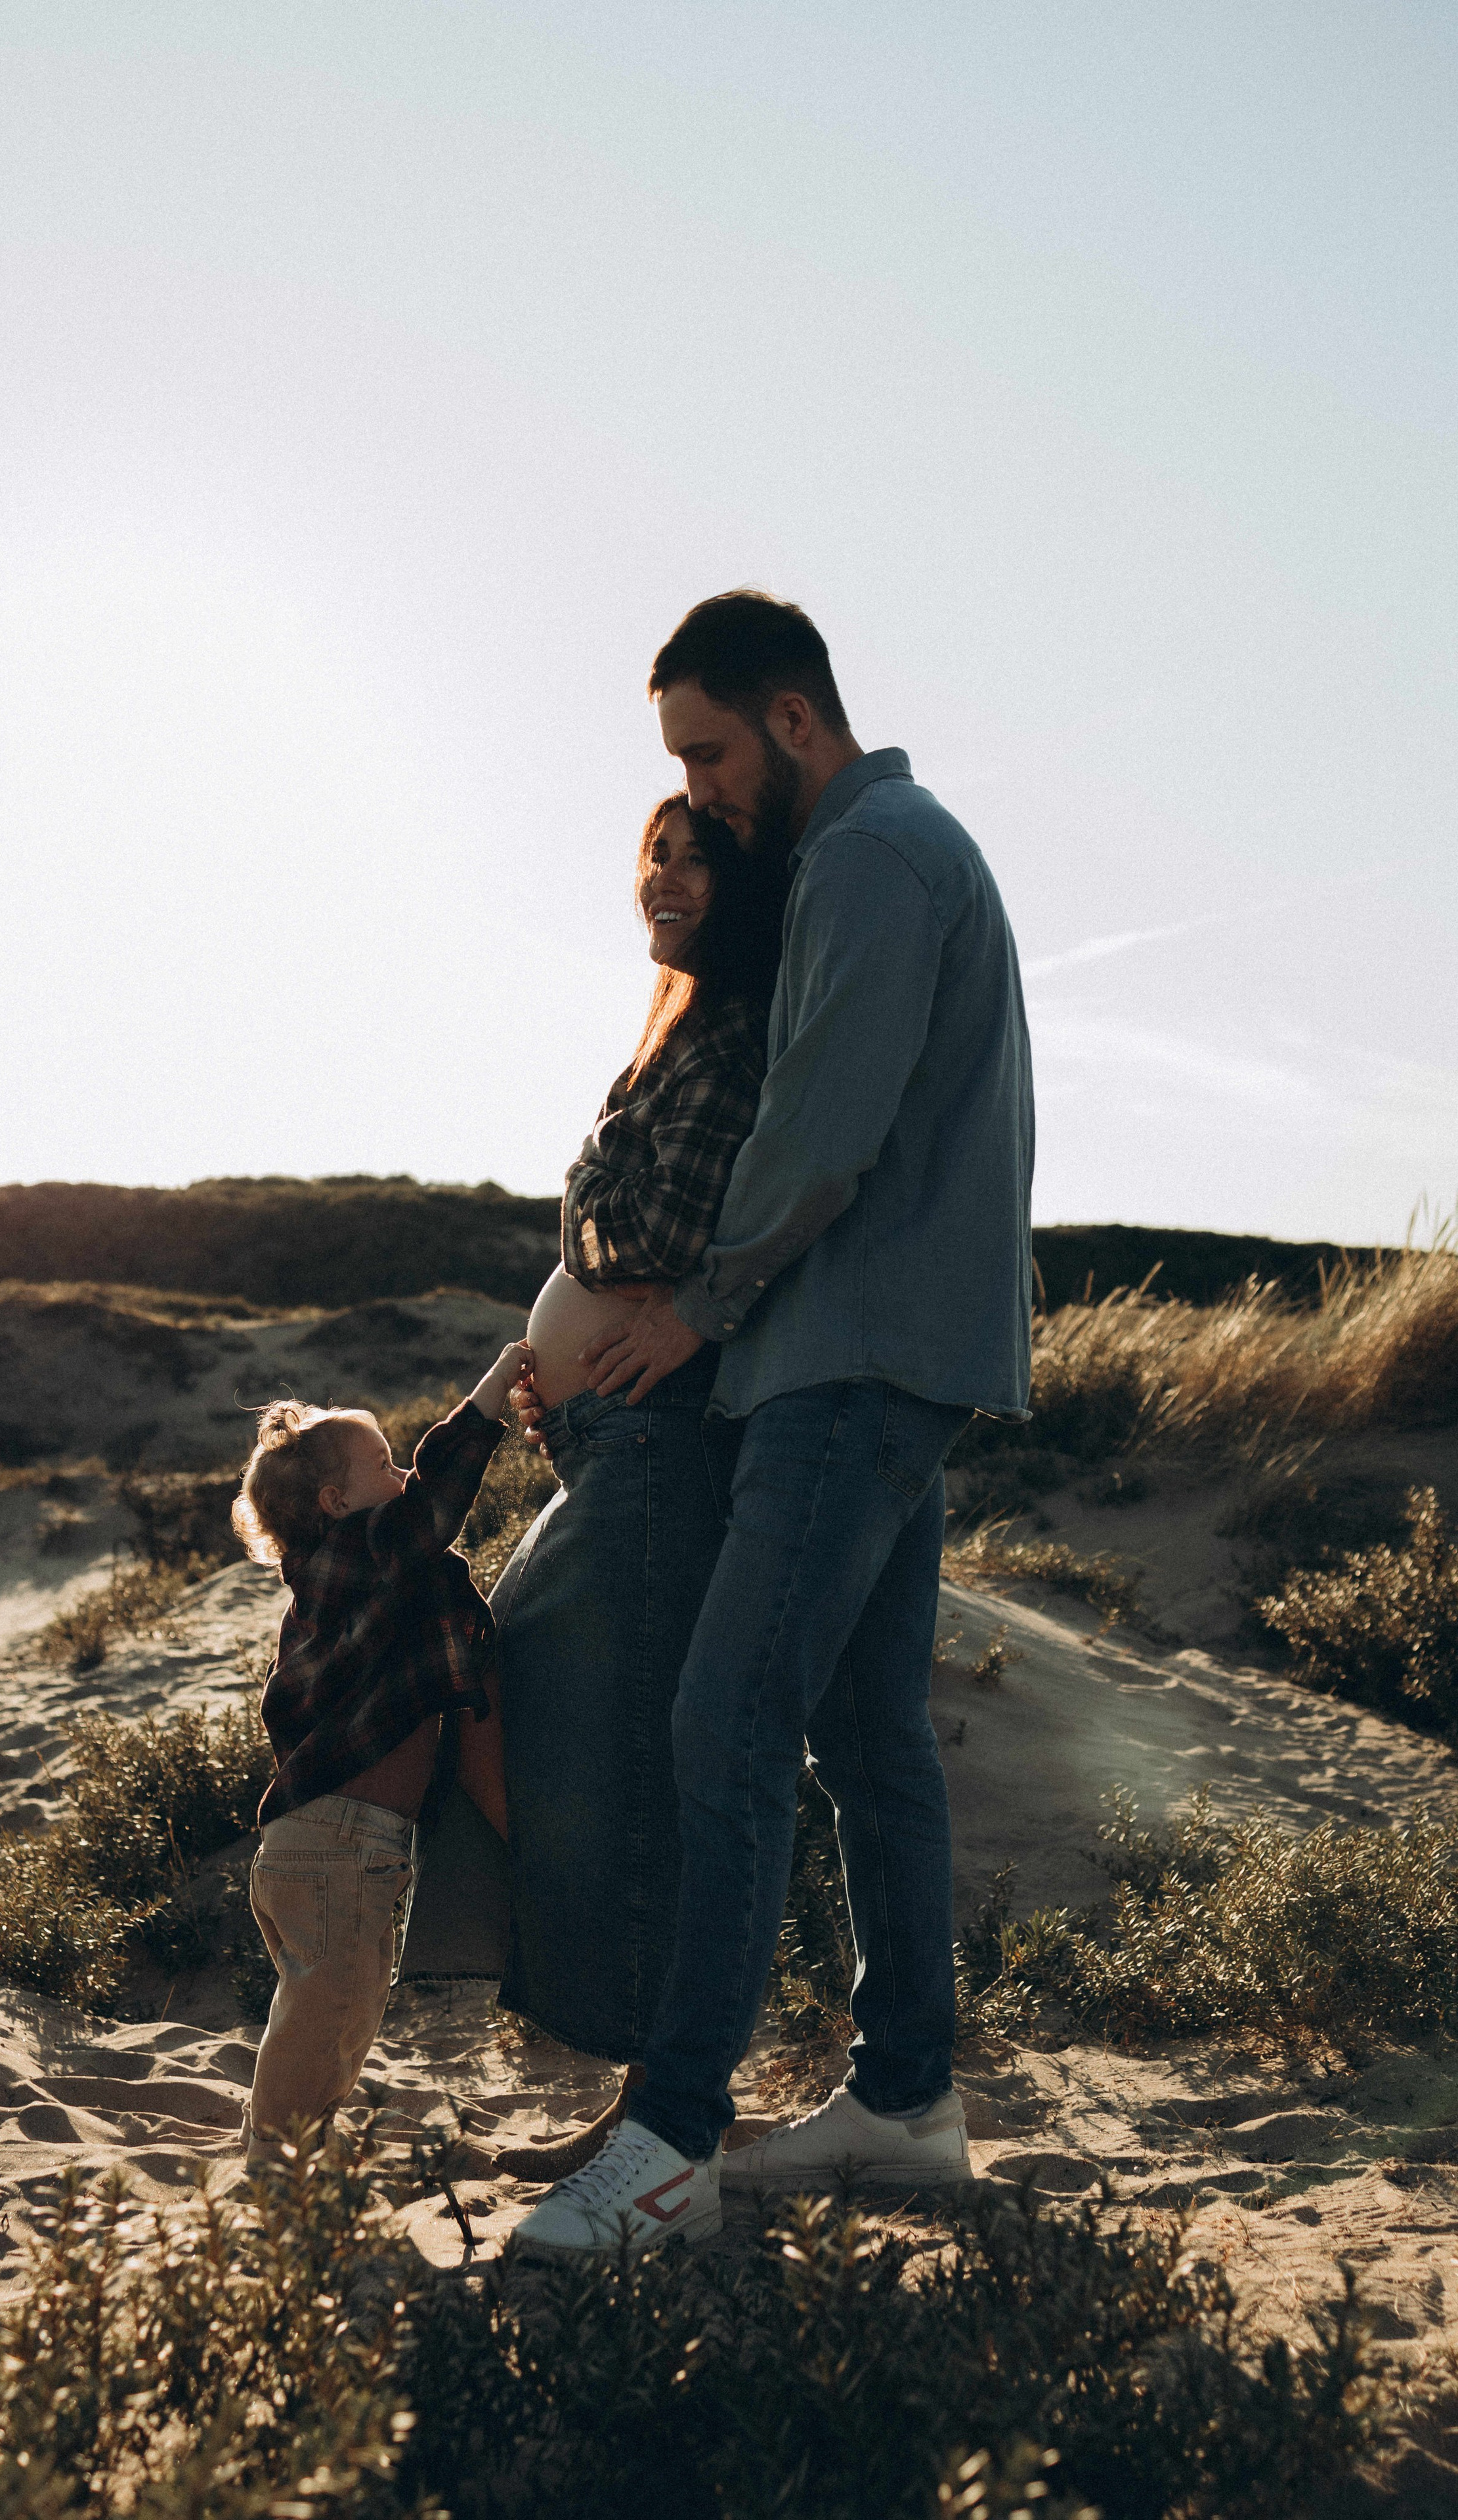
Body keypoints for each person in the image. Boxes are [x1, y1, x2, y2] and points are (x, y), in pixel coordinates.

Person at [514, 591, 1034, 2258]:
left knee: (722, 1719)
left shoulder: (871, 856)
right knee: (867, 1738)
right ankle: (905, 2099)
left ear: (794, 718)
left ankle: (670, 2136)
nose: (700, 789)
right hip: (881, 1351)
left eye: (708, 752)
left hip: (844, 1354)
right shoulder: (880, 849)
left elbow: (821, 1124)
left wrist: (699, 1306)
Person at [477, 791, 788, 2151]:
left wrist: (581, 1224)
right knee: (561, 1705)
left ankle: (662, 2107)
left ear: (742, 882)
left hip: (664, 1447)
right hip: (612, 1443)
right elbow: (618, 1241)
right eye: (651, 855)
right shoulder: (669, 1036)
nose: (661, 877)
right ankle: (633, 2079)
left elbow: (655, 1225)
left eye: (691, 858)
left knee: (628, 1761)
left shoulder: (729, 1031)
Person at [231, 1339, 530, 2161]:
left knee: (342, 2017)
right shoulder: (348, 1563)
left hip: (348, 1852)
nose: (403, 1478)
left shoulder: (378, 1579)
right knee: (325, 2019)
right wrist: (491, 1395)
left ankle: (295, 2151)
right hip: (332, 1847)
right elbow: (434, 1502)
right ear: (335, 1503)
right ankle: (271, 2164)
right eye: (386, 1466)